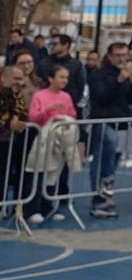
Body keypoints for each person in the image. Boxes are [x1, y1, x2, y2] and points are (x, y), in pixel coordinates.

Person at [85, 42, 132, 219]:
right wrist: (118, 81)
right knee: (102, 161)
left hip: (121, 123)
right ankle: (98, 199)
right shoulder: (98, 74)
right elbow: (100, 98)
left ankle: (106, 195)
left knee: (113, 162)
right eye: (118, 55)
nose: (122, 59)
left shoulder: (124, 74)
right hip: (103, 121)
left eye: (125, 55)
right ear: (109, 56)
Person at [24, 64, 80, 224]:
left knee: (55, 174)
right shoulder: (39, 96)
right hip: (44, 138)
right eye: (61, 77)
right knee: (39, 172)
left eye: (66, 77)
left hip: (61, 140)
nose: (64, 80)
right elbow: (33, 117)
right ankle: (32, 208)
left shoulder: (66, 96)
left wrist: (66, 118)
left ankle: (49, 207)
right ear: (51, 78)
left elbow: (72, 114)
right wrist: (48, 110)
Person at [0, 65, 31, 217]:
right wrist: (8, 123)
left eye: (21, 78)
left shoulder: (17, 95)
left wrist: (17, 119)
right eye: (16, 78)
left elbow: (23, 112)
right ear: (3, 78)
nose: (20, 82)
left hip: (8, 143)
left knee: (4, 174)